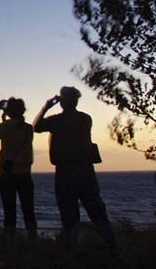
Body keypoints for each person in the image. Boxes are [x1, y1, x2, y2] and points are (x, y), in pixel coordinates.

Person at [34, 86, 116, 248]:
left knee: (69, 215)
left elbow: (36, 127)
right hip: (86, 170)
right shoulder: (86, 119)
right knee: (97, 211)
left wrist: (46, 107)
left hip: (65, 172)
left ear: (62, 101)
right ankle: (111, 247)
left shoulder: (57, 120)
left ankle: (75, 250)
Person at [0, 97, 37, 237]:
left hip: (7, 174)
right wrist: (5, 115)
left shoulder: (5, 127)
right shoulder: (28, 128)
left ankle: (10, 242)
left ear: (9, 112)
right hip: (25, 174)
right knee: (28, 210)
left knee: (9, 211)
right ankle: (33, 239)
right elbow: (13, 130)